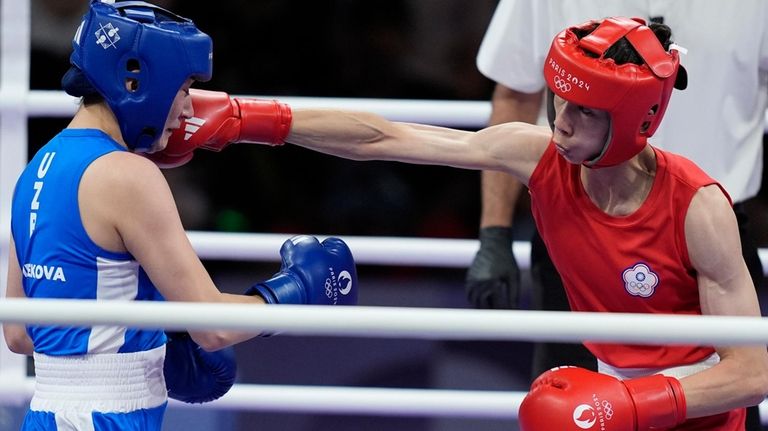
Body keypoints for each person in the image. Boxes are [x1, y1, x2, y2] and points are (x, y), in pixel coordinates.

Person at [154, 16, 768, 430]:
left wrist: (634, 403)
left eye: (586, 112)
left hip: (696, 407)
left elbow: (753, 371)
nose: (562, 123)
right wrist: (248, 118)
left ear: (636, 118)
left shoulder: (697, 208)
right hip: (608, 393)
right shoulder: (535, 156)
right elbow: (384, 138)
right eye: (561, 100)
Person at [3, 1, 357, 430]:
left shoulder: (36, 169)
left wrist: (150, 338)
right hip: (105, 420)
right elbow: (213, 326)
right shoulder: (126, 174)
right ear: (135, 79)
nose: (189, 109)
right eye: (184, 87)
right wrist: (297, 290)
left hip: (45, 416)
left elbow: (20, 333)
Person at [469, 1, 768, 429]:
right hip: (575, 225)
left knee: (725, 394)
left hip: (712, 233)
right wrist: (494, 231)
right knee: (565, 409)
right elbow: (515, 92)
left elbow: (749, 376)